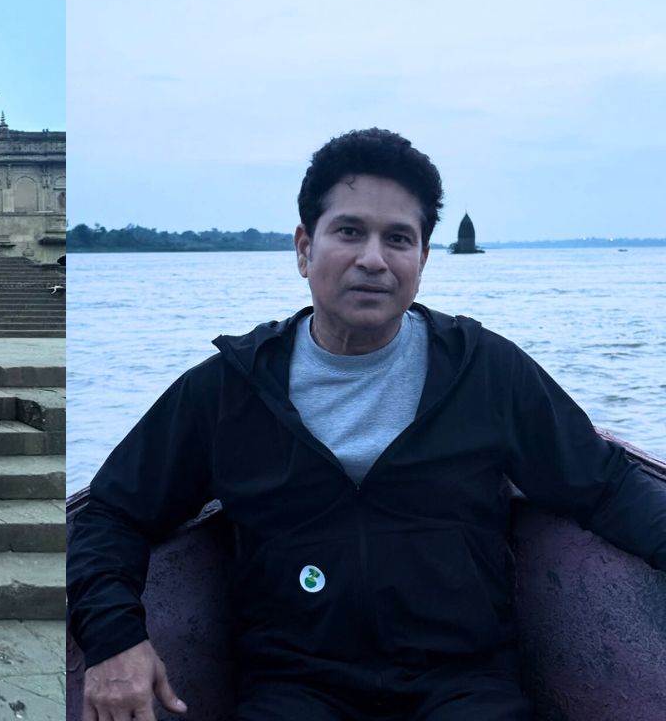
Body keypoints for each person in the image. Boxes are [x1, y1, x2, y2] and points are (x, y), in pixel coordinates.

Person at [67, 128, 666, 720]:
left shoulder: (485, 371)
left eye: (398, 239)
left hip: (463, 685)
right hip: (294, 688)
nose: (373, 259)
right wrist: (114, 638)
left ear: (422, 260)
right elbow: (113, 513)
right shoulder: (231, 388)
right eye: (350, 232)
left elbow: (604, 484)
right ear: (304, 248)